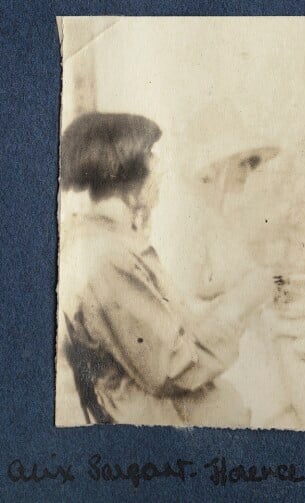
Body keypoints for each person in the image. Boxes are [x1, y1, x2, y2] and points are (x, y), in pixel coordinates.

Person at [57, 113, 273, 426]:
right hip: (154, 427)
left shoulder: (109, 243)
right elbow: (174, 368)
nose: (160, 168)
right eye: (149, 155)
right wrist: (242, 302)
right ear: (124, 172)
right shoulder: (106, 258)